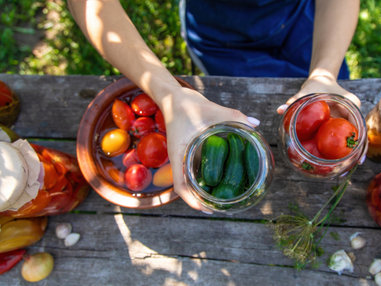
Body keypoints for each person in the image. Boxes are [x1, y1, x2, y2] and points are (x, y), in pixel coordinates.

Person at [68, 0, 360, 213]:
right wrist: (169, 95)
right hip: (220, 36)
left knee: (332, 93)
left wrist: (326, 73)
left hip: (301, 16)